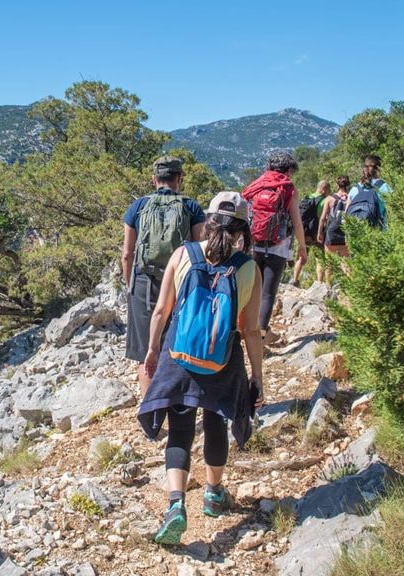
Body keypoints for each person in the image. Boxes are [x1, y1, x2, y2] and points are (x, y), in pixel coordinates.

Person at [137, 192, 264, 545]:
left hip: (179, 356)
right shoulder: (249, 268)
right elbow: (251, 329)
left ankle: (176, 505)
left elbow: (162, 310)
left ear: (207, 222)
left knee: (179, 430)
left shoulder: (183, 254)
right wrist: (257, 376)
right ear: (242, 230)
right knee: (215, 421)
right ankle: (213, 493)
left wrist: (151, 350)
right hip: (222, 361)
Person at [122, 156, 205, 398]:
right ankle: (176, 402)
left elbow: (127, 254)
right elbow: (199, 249)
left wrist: (130, 285)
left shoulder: (137, 207)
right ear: (179, 179)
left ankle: (150, 415)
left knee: (145, 352)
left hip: (143, 282)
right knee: (178, 345)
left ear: (154, 179)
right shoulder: (191, 207)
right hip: (181, 281)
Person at [241, 150, 307, 346]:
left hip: (252, 245)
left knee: (249, 291)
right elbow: (296, 222)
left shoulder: (256, 184)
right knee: (267, 293)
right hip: (277, 248)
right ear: (288, 170)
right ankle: (259, 338)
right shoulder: (288, 188)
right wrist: (302, 248)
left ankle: (244, 332)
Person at [292, 179, 332, 286]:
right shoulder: (324, 201)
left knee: (301, 256)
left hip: (304, 232)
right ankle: (319, 283)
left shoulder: (307, 198)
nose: (329, 192)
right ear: (324, 189)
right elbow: (324, 218)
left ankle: (295, 280)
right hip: (317, 233)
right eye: (328, 189)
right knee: (319, 258)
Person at [317, 175, 352, 282]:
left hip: (332, 232)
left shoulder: (330, 198)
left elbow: (323, 218)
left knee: (329, 263)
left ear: (337, 185)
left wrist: (320, 233)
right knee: (346, 262)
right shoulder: (351, 197)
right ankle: (350, 286)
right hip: (345, 232)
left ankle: (328, 288)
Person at [346, 154, 392, 230]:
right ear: (379, 169)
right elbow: (392, 212)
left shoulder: (354, 189)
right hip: (379, 233)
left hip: (357, 234)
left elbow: (346, 214)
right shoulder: (385, 187)